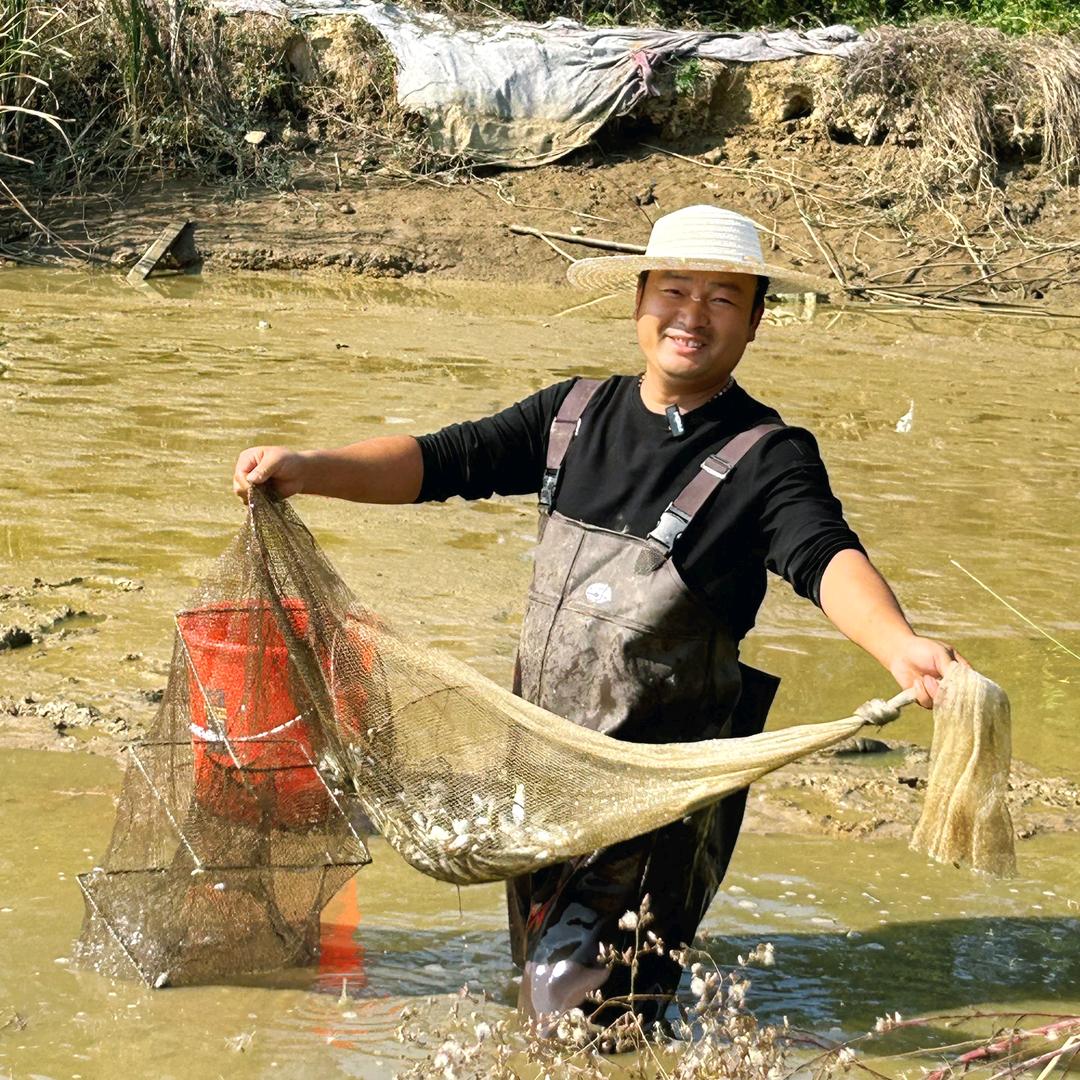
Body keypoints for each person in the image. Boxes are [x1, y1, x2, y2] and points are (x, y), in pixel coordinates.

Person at [232, 204, 964, 1031]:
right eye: (674, 291)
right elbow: (442, 461)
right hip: (542, 776)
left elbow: (822, 555)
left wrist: (897, 644)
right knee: (552, 990)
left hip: (656, 799)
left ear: (757, 320)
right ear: (639, 300)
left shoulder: (768, 457)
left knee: (572, 1020)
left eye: (723, 299)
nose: (692, 316)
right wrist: (310, 467)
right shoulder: (571, 417)